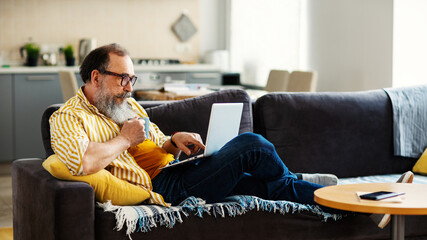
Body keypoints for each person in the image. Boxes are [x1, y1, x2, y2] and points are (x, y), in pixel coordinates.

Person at [49, 44, 412, 228]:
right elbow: (79, 162)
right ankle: (300, 179)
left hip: (176, 170)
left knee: (271, 188)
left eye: (133, 79)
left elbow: (154, 139)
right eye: (121, 79)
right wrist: (125, 140)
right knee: (252, 145)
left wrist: (173, 140)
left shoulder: (127, 107)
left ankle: (371, 204)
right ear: (95, 77)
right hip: (162, 190)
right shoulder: (68, 117)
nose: (129, 87)